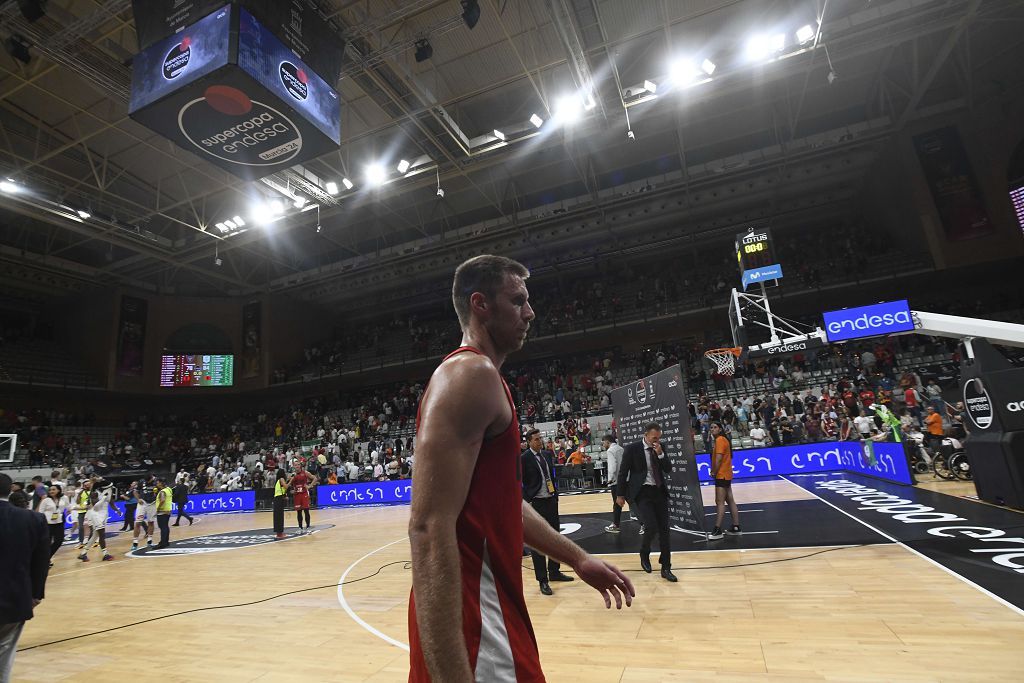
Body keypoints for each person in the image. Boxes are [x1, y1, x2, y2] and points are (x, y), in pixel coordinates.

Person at [408, 255, 634, 682]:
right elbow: (426, 528)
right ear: (480, 305)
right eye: (518, 301)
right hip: (475, 617)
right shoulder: (469, 375)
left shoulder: (485, 379)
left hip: (489, 608)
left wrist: (577, 558)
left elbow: (505, 503)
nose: (530, 312)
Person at [0, 473, 49, 680]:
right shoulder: (33, 519)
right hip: (15, 598)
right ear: (11, 489)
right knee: (4, 656)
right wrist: (36, 594)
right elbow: (41, 561)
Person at [615, 421, 677, 582]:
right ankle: (644, 552)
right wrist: (620, 495)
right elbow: (623, 473)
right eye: (654, 438)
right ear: (646, 435)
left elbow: (668, 469)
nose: (656, 440)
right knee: (651, 526)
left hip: (659, 491)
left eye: (658, 437)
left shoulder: (660, 447)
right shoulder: (632, 449)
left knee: (665, 530)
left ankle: (666, 566)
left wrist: (661, 454)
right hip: (642, 492)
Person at [521, 428, 574, 596]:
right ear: (529, 442)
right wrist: (526, 500)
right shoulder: (524, 459)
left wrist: (555, 495)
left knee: (554, 537)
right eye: (536, 439)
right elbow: (519, 480)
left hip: (550, 500)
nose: (540, 442)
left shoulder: (547, 455)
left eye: (540, 439)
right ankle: (542, 580)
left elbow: (551, 476)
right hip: (536, 502)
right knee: (538, 542)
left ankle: (554, 571)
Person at [708, 422, 740, 540]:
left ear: (720, 429)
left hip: (721, 475)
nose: (712, 429)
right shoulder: (724, 440)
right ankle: (736, 527)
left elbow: (719, 459)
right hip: (727, 474)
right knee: (730, 500)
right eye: (711, 427)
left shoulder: (720, 440)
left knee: (719, 501)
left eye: (715, 427)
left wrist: (713, 472)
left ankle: (717, 530)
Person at [78, 482, 118, 562]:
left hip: (104, 515)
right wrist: (103, 498)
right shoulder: (94, 492)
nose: (111, 487)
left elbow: (111, 503)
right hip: (96, 514)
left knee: (95, 536)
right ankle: (105, 554)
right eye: (109, 486)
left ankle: (83, 553)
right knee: (101, 535)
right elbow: (96, 506)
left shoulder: (109, 492)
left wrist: (117, 510)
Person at [37, 485, 69, 565]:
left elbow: (68, 506)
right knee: (47, 543)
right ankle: (46, 559)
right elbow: (41, 512)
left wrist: (72, 509)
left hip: (59, 522)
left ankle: (46, 558)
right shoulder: (46, 500)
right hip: (48, 524)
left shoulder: (64, 498)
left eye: (54, 489)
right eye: (50, 490)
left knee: (59, 541)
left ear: (59, 490)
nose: (51, 491)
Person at [603, 436, 626, 533]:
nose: (603, 445)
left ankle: (616, 525)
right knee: (632, 503)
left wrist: (610, 479)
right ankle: (644, 524)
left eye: (603, 443)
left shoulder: (610, 450)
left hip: (616, 482)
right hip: (625, 479)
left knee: (617, 504)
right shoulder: (621, 448)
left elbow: (612, 466)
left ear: (607, 442)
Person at [131, 477, 157, 552]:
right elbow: (135, 491)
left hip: (152, 503)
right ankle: (135, 543)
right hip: (142, 503)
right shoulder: (141, 481)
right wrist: (138, 499)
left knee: (151, 522)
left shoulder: (156, 482)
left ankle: (149, 541)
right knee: (138, 522)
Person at [290, 463, 315, 531]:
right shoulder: (293, 475)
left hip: (304, 494)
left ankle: (308, 526)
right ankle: (300, 527)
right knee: (299, 512)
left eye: (298, 465)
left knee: (306, 510)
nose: (297, 466)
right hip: (297, 495)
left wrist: (309, 486)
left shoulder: (305, 473)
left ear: (300, 466)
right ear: (294, 467)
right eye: (295, 465)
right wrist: (291, 491)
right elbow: (289, 485)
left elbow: (315, 478)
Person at [154, 478, 173, 549]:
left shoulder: (162, 491)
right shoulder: (169, 489)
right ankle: (166, 541)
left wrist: (158, 509)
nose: (157, 484)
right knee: (166, 527)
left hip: (162, 511)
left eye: (158, 482)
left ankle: (162, 543)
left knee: (162, 527)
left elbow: (162, 500)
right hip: (168, 510)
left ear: (161, 483)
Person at [73, 478, 92, 548]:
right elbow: (78, 501)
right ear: (83, 486)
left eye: (88, 485)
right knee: (81, 527)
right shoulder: (81, 493)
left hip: (89, 511)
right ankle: (81, 541)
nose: (87, 486)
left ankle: (90, 541)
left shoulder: (93, 492)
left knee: (91, 526)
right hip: (81, 511)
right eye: (86, 485)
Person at [273, 468, 289, 539]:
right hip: (279, 500)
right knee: (279, 517)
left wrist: (284, 497)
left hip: (278, 499)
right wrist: (291, 480)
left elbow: (281, 491)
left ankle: (279, 533)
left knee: (278, 516)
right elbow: (286, 487)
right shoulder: (281, 479)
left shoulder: (278, 481)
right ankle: (279, 534)